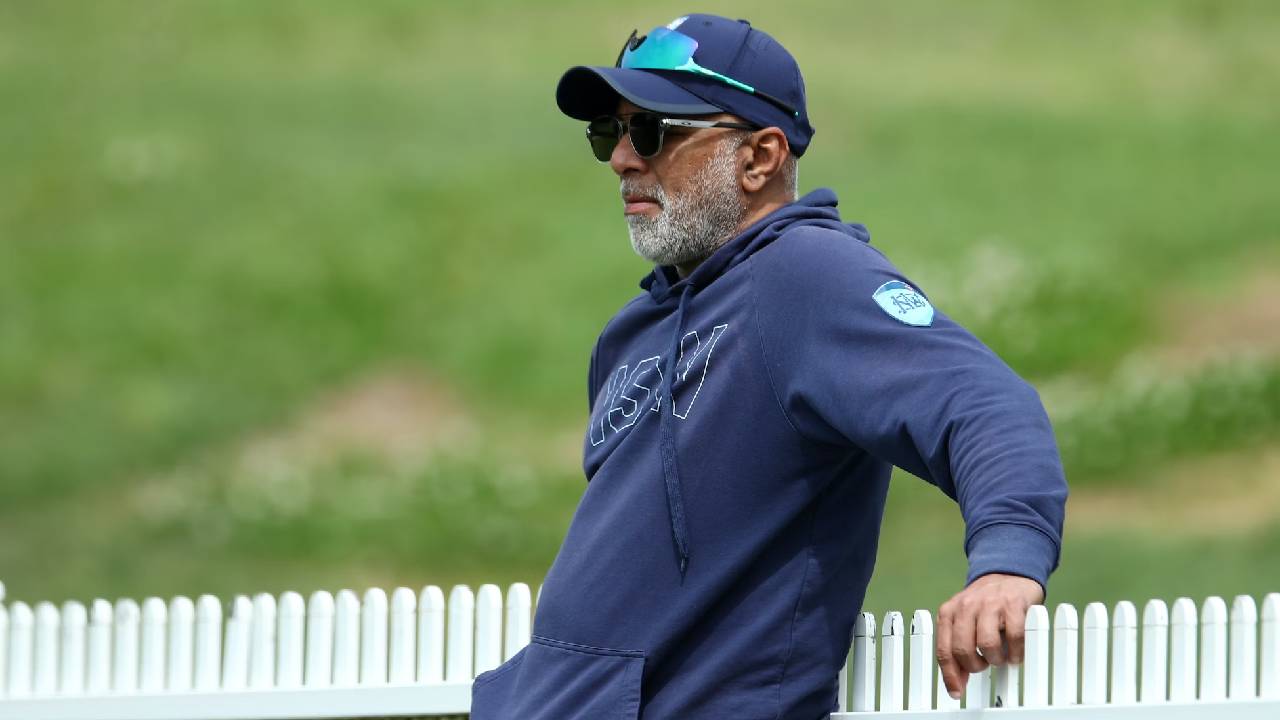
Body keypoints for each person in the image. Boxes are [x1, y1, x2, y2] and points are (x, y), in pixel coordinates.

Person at [471, 13, 1068, 719]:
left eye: (652, 131)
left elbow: (983, 404)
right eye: (610, 132)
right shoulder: (629, 334)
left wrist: (1007, 561)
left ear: (759, 157)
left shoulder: (808, 277)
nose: (622, 160)